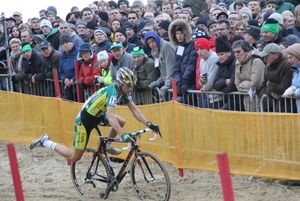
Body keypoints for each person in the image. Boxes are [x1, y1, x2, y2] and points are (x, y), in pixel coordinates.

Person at [30, 67, 160, 162]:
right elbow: (110, 116)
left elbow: (135, 110)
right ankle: (46, 141)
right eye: (128, 86)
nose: (131, 88)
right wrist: (122, 134)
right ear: (120, 83)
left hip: (97, 116)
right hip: (84, 121)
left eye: (132, 85)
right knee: (73, 157)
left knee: (121, 121)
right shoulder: (113, 92)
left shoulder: (123, 91)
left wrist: (149, 123)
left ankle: (107, 146)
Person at [258, 43, 293, 112]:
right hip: (269, 105)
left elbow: (283, 88)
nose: (264, 59)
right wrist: (272, 94)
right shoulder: (267, 67)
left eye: (266, 56)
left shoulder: (287, 66)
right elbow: (263, 86)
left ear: (276, 55)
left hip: (284, 107)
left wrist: (269, 84)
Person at [233, 40, 266, 112]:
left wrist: (244, 84)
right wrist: (248, 84)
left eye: (238, 51)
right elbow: (237, 84)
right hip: (248, 101)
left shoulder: (256, 61)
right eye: (234, 52)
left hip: (261, 101)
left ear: (247, 51)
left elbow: (254, 84)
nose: (236, 54)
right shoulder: (238, 63)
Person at [144, 31, 175, 101]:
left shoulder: (166, 46)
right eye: (149, 43)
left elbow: (171, 69)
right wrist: (158, 82)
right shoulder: (155, 52)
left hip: (173, 85)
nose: (151, 44)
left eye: (152, 41)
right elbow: (163, 72)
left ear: (157, 39)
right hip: (166, 85)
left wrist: (166, 86)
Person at [283, 44, 300, 113]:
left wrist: (297, 92)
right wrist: (292, 88)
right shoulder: (295, 70)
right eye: (288, 58)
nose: (289, 61)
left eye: (291, 57)